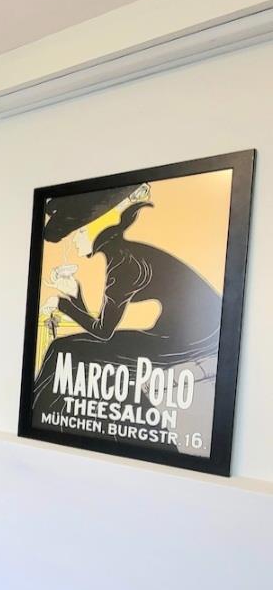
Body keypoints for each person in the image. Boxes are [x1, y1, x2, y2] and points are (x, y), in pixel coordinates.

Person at [32, 183, 221, 448]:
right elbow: (103, 328)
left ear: (91, 228)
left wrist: (62, 303)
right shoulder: (121, 254)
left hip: (190, 338)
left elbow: (102, 331)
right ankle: (45, 427)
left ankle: (42, 428)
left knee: (65, 349)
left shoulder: (123, 263)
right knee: (68, 349)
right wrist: (75, 295)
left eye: (76, 234)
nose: (74, 243)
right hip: (178, 331)